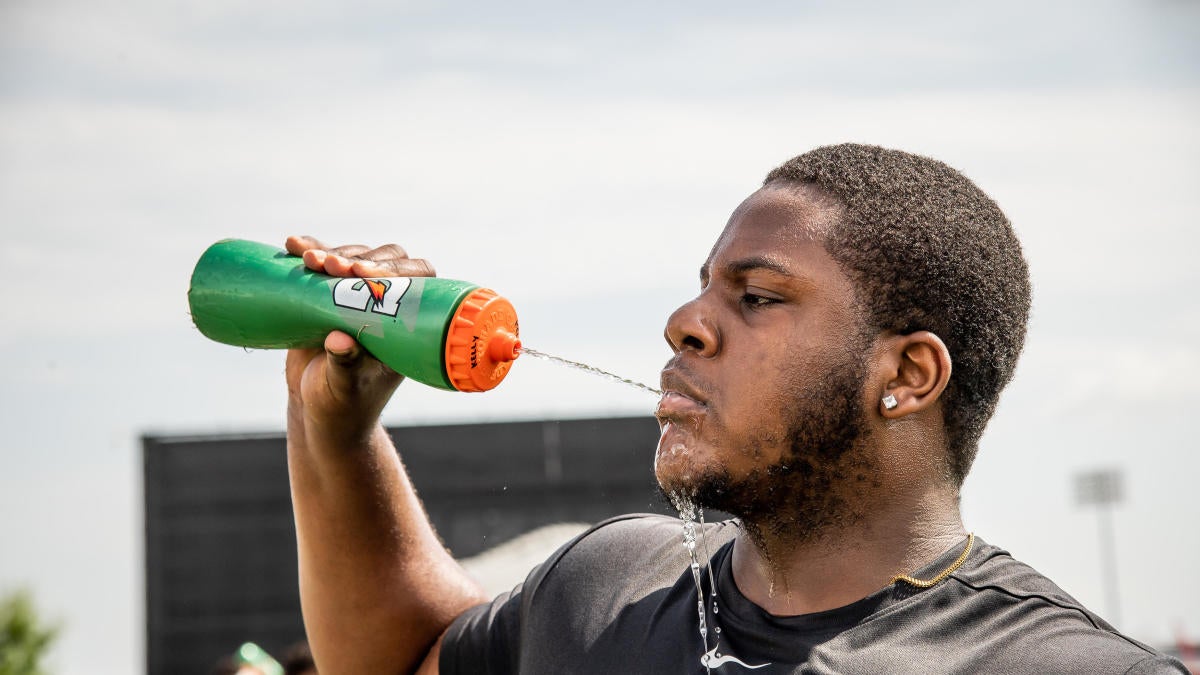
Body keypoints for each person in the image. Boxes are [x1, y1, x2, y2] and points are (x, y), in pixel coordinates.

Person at [282, 144, 1186, 673]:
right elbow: (396, 658)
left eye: (756, 296)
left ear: (908, 373)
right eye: (701, 289)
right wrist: (334, 425)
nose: (685, 325)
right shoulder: (607, 584)